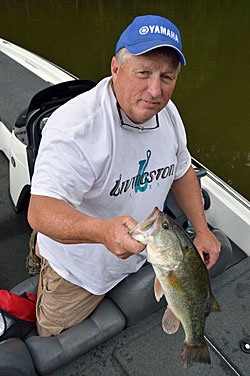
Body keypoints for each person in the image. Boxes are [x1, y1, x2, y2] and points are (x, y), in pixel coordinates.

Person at [27, 15, 221, 337]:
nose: (156, 90)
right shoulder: (76, 128)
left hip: (146, 253)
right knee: (55, 337)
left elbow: (182, 169)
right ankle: (41, 255)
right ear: (116, 69)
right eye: (143, 73)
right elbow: (40, 211)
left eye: (167, 77)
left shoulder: (168, 114)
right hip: (79, 271)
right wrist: (103, 232)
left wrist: (201, 230)